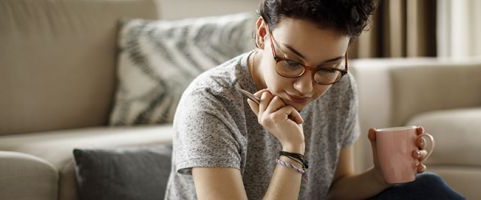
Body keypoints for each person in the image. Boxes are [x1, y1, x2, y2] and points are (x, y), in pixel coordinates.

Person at [165, 0, 465, 199]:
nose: (305, 87)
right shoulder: (211, 102)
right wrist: (292, 150)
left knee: (425, 188)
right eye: (291, 62)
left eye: (327, 68)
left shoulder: (340, 86)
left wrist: (381, 176)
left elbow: (335, 190)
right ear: (261, 34)